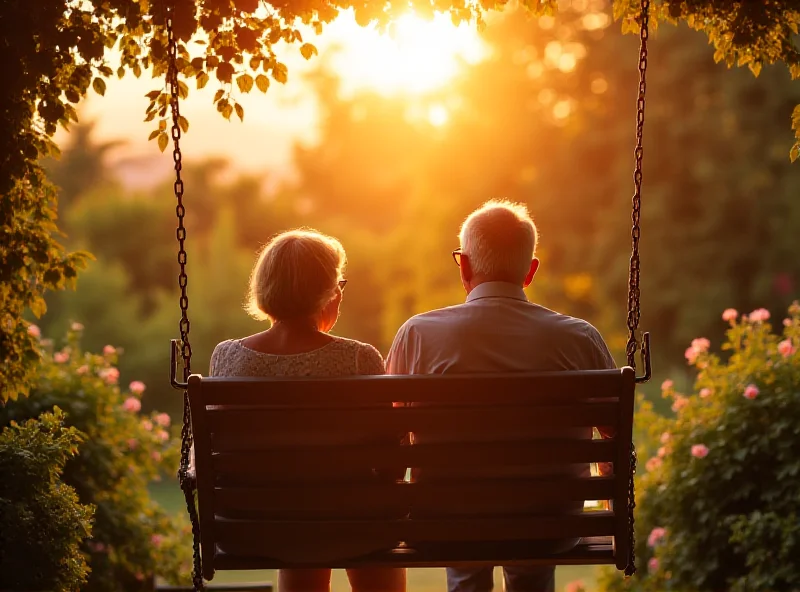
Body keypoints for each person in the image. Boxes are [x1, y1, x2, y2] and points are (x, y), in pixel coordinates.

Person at [386, 200, 616, 592]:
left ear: (464, 265)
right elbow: (615, 432)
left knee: (462, 531)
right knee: (532, 539)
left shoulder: (419, 335)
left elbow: (390, 431)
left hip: (447, 525)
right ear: (530, 271)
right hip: (551, 526)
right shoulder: (578, 338)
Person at [209, 229, 406, 592]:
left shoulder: (228, 357)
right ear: (328, 291)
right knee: (351, 515)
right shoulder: (359, 358)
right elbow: (393, 463)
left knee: (300, 523)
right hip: (351, 528)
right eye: (338, 284)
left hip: (255, 529)